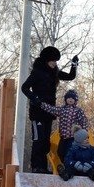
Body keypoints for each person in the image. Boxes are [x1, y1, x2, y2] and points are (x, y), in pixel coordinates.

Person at [21, 46, 78, 174]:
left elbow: (70, 76)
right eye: (53, 61)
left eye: (56, 61)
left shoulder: (54, 73)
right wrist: (34, 98)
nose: (55, 63)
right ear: (47, 60)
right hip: (37, 113)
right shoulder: (37, 72)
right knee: (38, 140)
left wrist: (74, 65)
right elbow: (24, 87)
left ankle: (43, 167)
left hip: (49, 113)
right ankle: (36, 166)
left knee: (46, 141)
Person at [27, 89, 89, 163]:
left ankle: (71, 167)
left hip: (73, 137)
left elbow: (84, 121)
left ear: (75, 101)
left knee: (70, 153)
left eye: (72, 98)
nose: (70, 99)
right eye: (69, 98)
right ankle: (68, 165)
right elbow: (52, 109)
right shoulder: (62, 109)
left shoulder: (78, 111)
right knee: (60, 152)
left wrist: (85, 134)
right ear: (65, 99)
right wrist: (41, 104)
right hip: (63, 137)